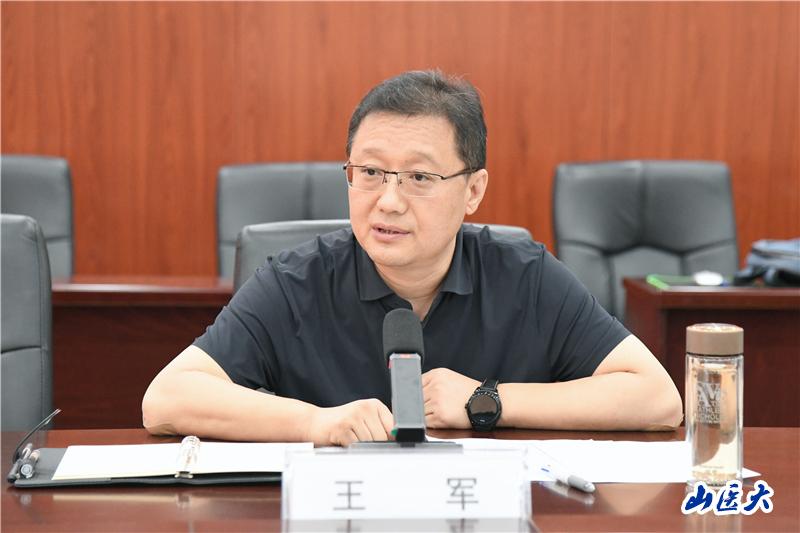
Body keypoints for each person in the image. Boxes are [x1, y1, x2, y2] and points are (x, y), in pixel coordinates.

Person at [142, 70, 682, 446]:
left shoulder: (525, 276)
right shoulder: (294, 282)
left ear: (473, 191)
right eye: (370, 172)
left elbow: (658, 399)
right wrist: (315, 423)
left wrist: (487, 401)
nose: (388, 201)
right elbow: (166, 398)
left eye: (419, 177)